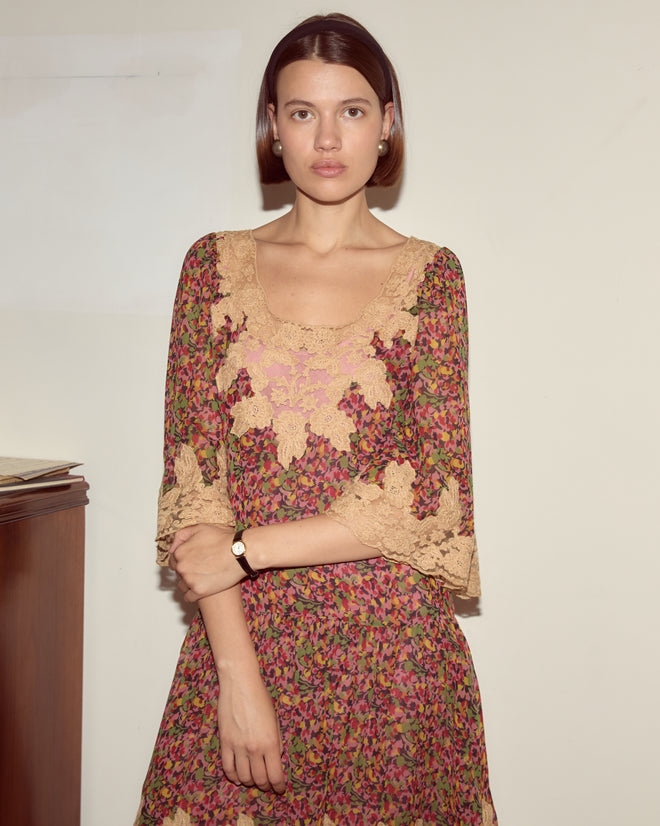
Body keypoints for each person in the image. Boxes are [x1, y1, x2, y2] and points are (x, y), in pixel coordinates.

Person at [135, 12, 497, 826]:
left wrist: (244, 551)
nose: (327, 138)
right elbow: (194, 490)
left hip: (394, 668)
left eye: (352, 111)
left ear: (386, 124)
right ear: (273, 126)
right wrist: (237, 676)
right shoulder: (211, 266)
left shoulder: (432, 278)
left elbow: (430, 498)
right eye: (303, 112)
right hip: (242, 640)